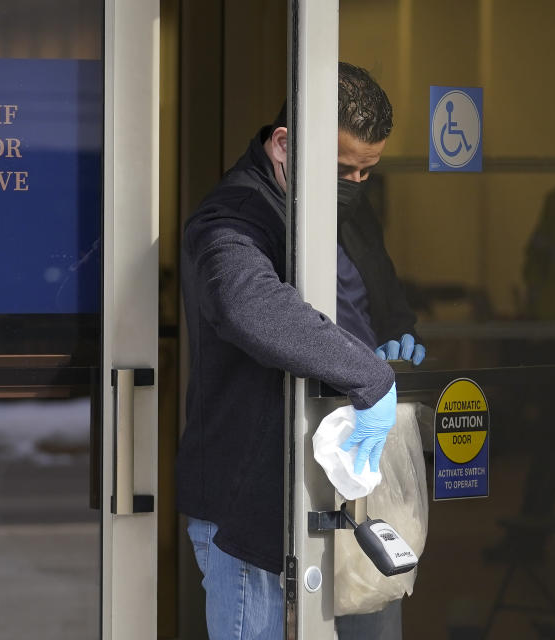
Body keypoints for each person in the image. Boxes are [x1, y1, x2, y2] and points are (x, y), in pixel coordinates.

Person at [177, 62, 424, 640]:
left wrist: (397, 348)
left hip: (348, 481)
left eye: (368, 171)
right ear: (285, 144)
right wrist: (369, 374)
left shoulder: (351, 214)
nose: (355, 185)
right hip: (252, 501)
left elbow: (387, 305)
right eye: (343, 169)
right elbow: (247, 303)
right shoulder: (233, 215)